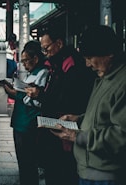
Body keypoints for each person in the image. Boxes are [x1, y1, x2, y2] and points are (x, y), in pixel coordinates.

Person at [51, 25, 126, 185]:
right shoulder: (104, 77)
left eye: (90, 57)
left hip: (106, 173)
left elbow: (121, 136)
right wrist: (79, 119)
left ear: (109, 53)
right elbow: (104, 117)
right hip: (89, 168)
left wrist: (77, 136)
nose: (87, 64)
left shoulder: (122, 82)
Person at [25, 28, 96, 185]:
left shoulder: (72, 64)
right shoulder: (55, 63)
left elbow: (69, 98)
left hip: (67, 129)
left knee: (63, 173)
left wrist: (41, 95)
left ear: (59, 43)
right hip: (55, 126)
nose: (46, 52)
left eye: (47, 48)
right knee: (53, 170)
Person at [3, 40, 48, 185]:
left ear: (35, 58)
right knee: (23, 161)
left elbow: (36, 101)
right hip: (20, 122)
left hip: (28, 124)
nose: (24, 64)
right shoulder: (32, 73)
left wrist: (17, 93)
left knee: (28, 162)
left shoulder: (43, 73)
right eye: (22, 61)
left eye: (26, 61)